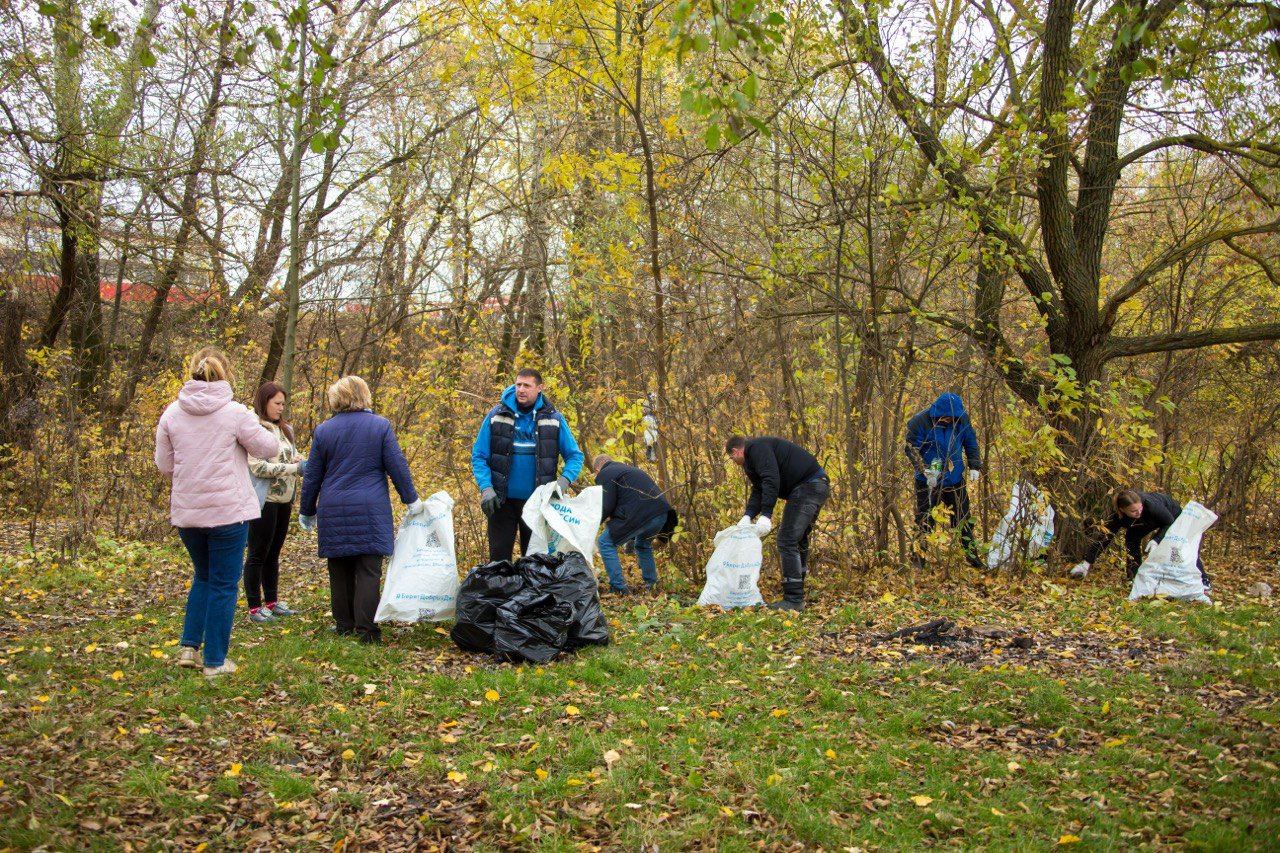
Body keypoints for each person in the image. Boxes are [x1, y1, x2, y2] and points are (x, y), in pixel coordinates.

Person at [155, 347, 279, 677]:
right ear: (225, 375)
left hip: (189, 513)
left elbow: (164, 464)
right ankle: (214, 661)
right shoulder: (235, 412)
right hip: (228, 512)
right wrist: (259, 428)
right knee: (224, 585)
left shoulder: (171, 414)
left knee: (204, 578)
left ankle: (188, 646)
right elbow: (268, 448)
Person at [299, 375, 425, 644]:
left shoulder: (324, 431)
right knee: (369, 571)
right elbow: (397, 465)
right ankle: (367, 630)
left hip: (333, 508)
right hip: (370, 507)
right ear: (364, 395)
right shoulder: (379, 426)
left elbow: (312, 475)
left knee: (340, 567)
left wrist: (307, 509)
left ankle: (344, 625)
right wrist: (411, 499)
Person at [471, 368, 585, 562]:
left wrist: (564, 482)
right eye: (518, 385)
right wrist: (486, 488)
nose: (521, 390)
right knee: (498, 561)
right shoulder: (497, 416)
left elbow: (575, 456)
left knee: (535, 563)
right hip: (500, 502)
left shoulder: (554, 419)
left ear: (539, 388)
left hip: (538, 505)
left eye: (527, 385)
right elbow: (479, 456)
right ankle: (500, 593)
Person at [726, 435, 829, 611]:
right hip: (816, 485)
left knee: (786, 539)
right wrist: (748, 515)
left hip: (808, 486)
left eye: (731, 457)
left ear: (735, 451)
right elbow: (759, 489)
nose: (733, 461)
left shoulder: (757, 448)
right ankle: (797, 594)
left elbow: (771, 479)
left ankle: (794, 599)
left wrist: (766, 514)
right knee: (797, 539)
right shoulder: (752, 460)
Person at [244, 381, 306, 623]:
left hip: (284, 499)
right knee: (258, 552)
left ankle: (271, 600)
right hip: (264, 499)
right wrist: (294, 467)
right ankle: (254, 606)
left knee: (274, 552)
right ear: (265, 402)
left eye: (283, 404)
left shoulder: (285, 429)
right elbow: (257, 466)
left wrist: (297, 459)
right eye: (277, 403)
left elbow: (289, 456)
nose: (281, 408)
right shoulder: (255, 429)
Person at [904, 392, 983, 568]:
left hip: (954, 480)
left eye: (952, 418)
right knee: (925, 519)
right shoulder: (920, 422)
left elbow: (970, 442)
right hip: (928, 481)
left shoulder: (962, 420)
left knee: (963, 518)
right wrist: (923, 469)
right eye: (946, 417)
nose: (949, 420)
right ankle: (918, 559)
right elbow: (911, 448)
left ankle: (972, 557)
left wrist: (975, 465)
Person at [1071, 489, 1210, 587]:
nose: (1138, 512)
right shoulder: (1117, 517)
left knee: (1182, 547)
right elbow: (1105, 538)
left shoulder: (1151, 506)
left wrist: (1156, 539)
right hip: (1142, 523)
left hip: (1172, 517)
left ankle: (1203, 580)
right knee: (1131, 540)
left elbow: (1169, 522)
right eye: (1133, 511)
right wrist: (1087, 562)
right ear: (1122, 510)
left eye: (1139, 508)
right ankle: (1134, 578)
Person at [593, 453, 678, 594]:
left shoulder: (605, 474)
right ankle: (651, 585)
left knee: (604, 542)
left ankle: (619, 588)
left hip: (640, 514)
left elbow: (606, 506)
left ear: (597, 470)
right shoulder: (627, 469)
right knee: (643, 545)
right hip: (661, 514)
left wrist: (593, 524)